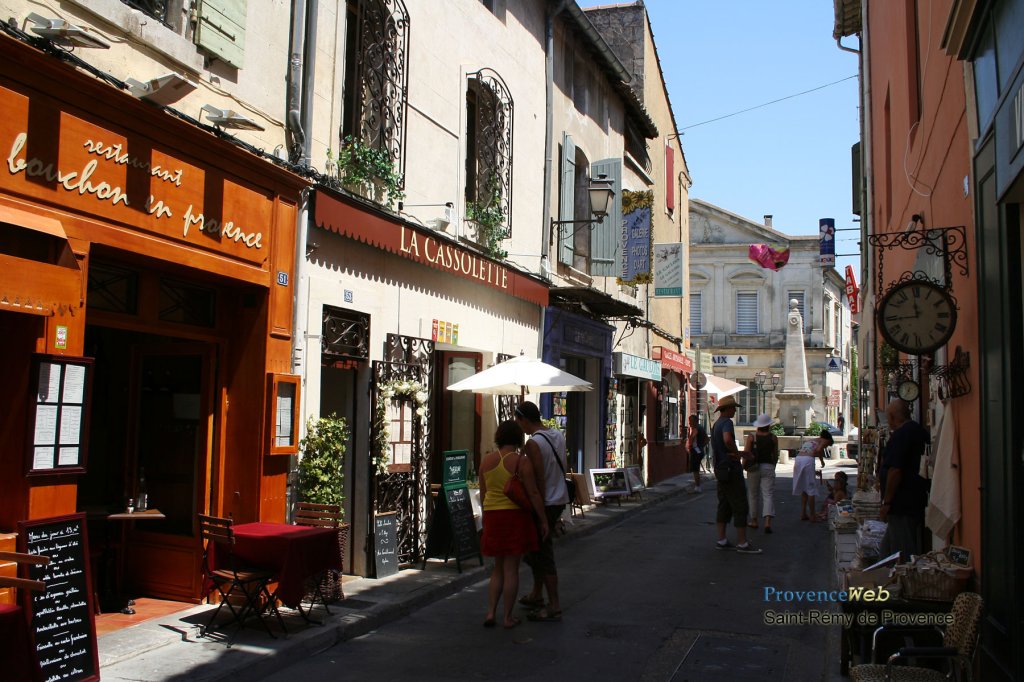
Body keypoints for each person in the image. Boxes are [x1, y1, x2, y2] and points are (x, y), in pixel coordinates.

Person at [478, 420, 548, 629]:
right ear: (518, 438)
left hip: (492, 515)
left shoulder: (486, 461)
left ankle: (491, 612)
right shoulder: (521, 462)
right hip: (514, 516)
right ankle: (508, 616)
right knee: (511, 568)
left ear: (499, 437)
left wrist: (486, 516)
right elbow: (533, 493)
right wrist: (543, 519)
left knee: (497, 568)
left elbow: (483, 495)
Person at [514, 401, 569, 622]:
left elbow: (538, 480)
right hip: (559, 498)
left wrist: (541, 515)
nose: (519, 426)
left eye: (519, 421)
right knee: (536, 549)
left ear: (524, 420)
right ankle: (537, 593)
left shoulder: (533, 444)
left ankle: (554, 604)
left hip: (545, 503)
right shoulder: (557, 435)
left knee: (544, 554)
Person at [879, 399, 929, 562]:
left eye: (888, 417)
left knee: (902, 550)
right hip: (914, 499)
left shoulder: (901, 435)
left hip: (902, 503)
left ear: (893, 417)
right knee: (887, 550)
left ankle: (904, 583)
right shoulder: (918, 431)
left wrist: (887, 502)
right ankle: (886, 580)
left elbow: (895, 470)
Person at [711, 395, 761, 553]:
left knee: (724, 504)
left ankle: (721, 539)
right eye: (733, 408)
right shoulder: (727, 423)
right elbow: (727, 440)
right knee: (740, 504)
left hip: (720, 469)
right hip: (731, 468)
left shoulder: (716, 424)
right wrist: (738, 454)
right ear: (726, 409)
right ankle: (742, 543)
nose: (734, 410)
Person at [743, 413, 779, 533]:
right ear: (768, 425)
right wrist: (773, 465)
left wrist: (743, 466)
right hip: (768, 466)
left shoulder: (751, 437)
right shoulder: (773, 437)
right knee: (768, 494)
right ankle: (767, 522)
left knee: (753, 494)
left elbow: (747, 453)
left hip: (753, 467)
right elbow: (775, 455)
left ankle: (754, 521)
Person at [792, 430, 832, 521]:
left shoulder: (811, 440)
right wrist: (822, 461)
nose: (826, 446)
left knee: (804, 488)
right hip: (808, 459)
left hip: (798, 459)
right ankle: (813, 515)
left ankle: (803, 513)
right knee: (810, 488)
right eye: (828, 445)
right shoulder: (824, 440)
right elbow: (818, 450)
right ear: (828, 440)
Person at [686, 414, 708, 493]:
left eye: (691, 421)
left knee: (695, 470)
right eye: (689, 421)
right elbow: (707, 440)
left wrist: (690, 446)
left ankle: (697, 487)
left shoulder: (696, 429)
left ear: (695, 421)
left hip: (696, 451)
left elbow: (691, 439)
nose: (689, 423)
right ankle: (697, 486)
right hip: (699, 451)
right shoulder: (701, 427)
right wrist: (701, 446)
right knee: (696, 469)